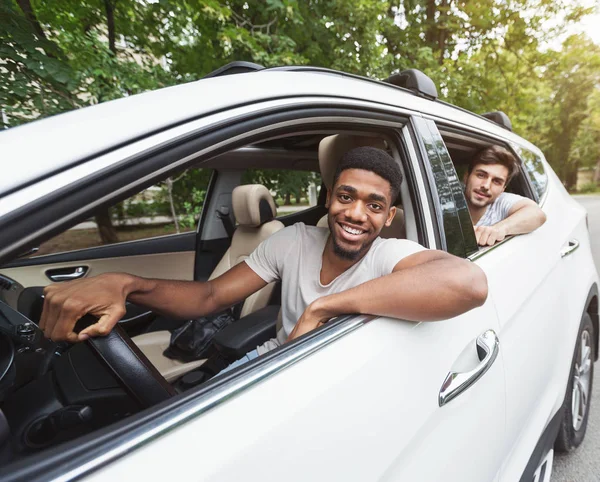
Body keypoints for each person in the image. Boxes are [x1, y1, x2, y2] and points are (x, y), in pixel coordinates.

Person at [40, 147, 488, 371]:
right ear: (329, 197)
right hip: (269, 362)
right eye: (346, 196)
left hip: (332, 377)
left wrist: (324, 306)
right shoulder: (291, 240)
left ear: (389, 217)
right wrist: (125, 283)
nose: (355, 214)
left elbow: (469, 283)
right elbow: (210, 296)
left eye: (373, 205)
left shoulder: (391, 253)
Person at [463, 145, 546, 247]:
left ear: (503, 188)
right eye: (481, 175)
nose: (486, 186)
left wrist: (497, 230)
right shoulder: (444, 199)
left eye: (497, 181)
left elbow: (537, 214)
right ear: (466, 177)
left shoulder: (501, 202)